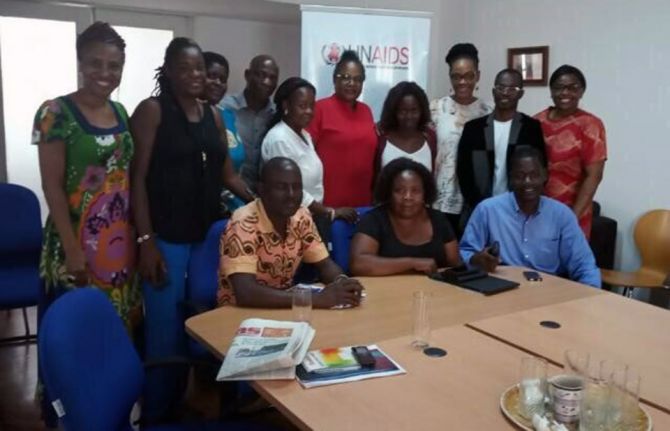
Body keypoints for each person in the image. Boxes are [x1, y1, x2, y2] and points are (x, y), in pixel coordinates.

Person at [130, 37, 253, 422]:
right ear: (168, 71)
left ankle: (181, 406)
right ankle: (155, 415)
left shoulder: (213, 115)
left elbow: (227, 173)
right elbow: (137, 179)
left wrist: (260, 203)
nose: (195, 75)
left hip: (204, 239)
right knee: (164, 334)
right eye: (185, 68)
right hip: (165, 238)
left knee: (199, 325)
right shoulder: (153, 111)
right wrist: (145, 241)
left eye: (199, 67)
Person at [32, 21, 141, 427]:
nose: (105, 73)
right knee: (72, 340)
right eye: (96, 63)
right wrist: (73, 249)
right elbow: (52, 187)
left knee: (112, 334)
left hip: (115, 245)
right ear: (80, 63)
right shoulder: (54, 113)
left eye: (114, 66)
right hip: (72, 245)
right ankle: (68, 416)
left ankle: (113, 412)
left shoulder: (121, 112)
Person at [217, 157, 364, 308]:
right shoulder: (243, 223)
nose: (291, 195)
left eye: (297, 187)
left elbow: (325, 265)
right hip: (238, 314)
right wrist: (317, 300)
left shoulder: (301, 215)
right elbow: (246, 293)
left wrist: (342, 283)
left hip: (284, 307)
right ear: (262, 190)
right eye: (282, 187)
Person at [460, 146, 601, 288]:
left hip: (547, 293)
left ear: (545, 175)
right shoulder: (487, 210)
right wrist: (476, 260)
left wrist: (591, 300)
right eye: (520, 176)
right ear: (511, 178)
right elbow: (465, 253)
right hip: (500, 290)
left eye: (534, 175)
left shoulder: (562, 215)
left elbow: (585, 267)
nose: (527, 182)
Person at [261, 77, 358, 228]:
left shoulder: (304, 135)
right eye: (302, 106)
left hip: (309, 219)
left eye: (312, 106)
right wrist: (328, 211)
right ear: (286, 105)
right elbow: (289, 190)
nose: (309, 112)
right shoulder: (279, 139)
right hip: (289, 223)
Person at [350, 158, 462, 276]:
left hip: (432, 291)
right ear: (388, 192)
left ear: (425, 193)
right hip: (388, 291)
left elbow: (455, 263)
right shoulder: (373, 219)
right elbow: (358, 264)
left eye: (415, 191)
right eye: (399, 190)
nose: (407, 197)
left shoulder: (438, 219)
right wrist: (412, 263)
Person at [457, 68, 546, 215]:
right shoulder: (473, 129)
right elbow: (463, 172)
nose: (505, 92)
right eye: (501, 87)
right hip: (480, 209)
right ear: (493, 91)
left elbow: (540, 170)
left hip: (519, 209)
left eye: (512, 89)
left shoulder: (531, 128)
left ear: (521, 93)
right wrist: (481, 207)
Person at [534, 65, 607, 239]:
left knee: (567, 261)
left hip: (574, 211)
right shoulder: (536, 121)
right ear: (551, 91)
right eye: (559, 87)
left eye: (573, 88)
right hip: (537, 209)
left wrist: (572, 218)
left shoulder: (591, 125)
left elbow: (594, 176)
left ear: (582, 91)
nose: (565, 93)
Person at [430, 43, 492, 236]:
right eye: (456, 76)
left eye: (468, 76)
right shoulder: (436, 109)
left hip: (476, 200)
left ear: (478, 76)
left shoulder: (488, 112)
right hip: (441, 199)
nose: (462, 82)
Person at [307, 50, 377, 207]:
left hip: (364, 204)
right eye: (345, 77)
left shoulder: (366, 111)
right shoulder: (319, 109)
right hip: (328, 207)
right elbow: (305, 158)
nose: (351, 83)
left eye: (357, 79)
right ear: (334, 79)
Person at [222, 55, 279, 192]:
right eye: (261, 75)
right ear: (247, 75)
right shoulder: (225, 108)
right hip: (226, 193)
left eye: (272, 78)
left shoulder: (277, 115)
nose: (267, 82)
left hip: (262, 197)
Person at [203, 51, 247, 214]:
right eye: (212, 76)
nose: (218, 83)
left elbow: (232, 175)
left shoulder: (227, 116)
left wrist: (257, 203)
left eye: (223, 79)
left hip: (234, 209)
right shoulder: (186, 118)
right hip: (200, 211)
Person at [374, 81, 437, 180]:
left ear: (422, 110)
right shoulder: (380, 137)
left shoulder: (430, 138)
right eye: (403, 111)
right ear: (394, 110)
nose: (409, 116)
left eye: (414, 110)